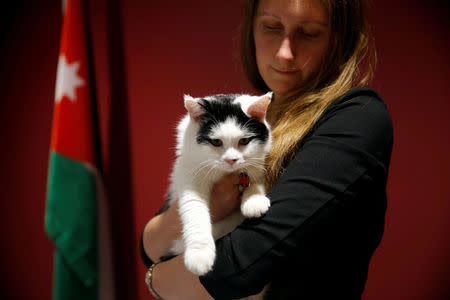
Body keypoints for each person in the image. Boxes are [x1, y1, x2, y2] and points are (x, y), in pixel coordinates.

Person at [140, 0, 393, 299]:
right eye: (271, 27)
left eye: (309, 33)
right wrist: (202, 209)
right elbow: (152, 243)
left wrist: (156, 279)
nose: (285, 52)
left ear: (340, 40)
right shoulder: (248, 112)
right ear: (251, 30)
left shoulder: (358, 115)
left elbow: (241, 265)